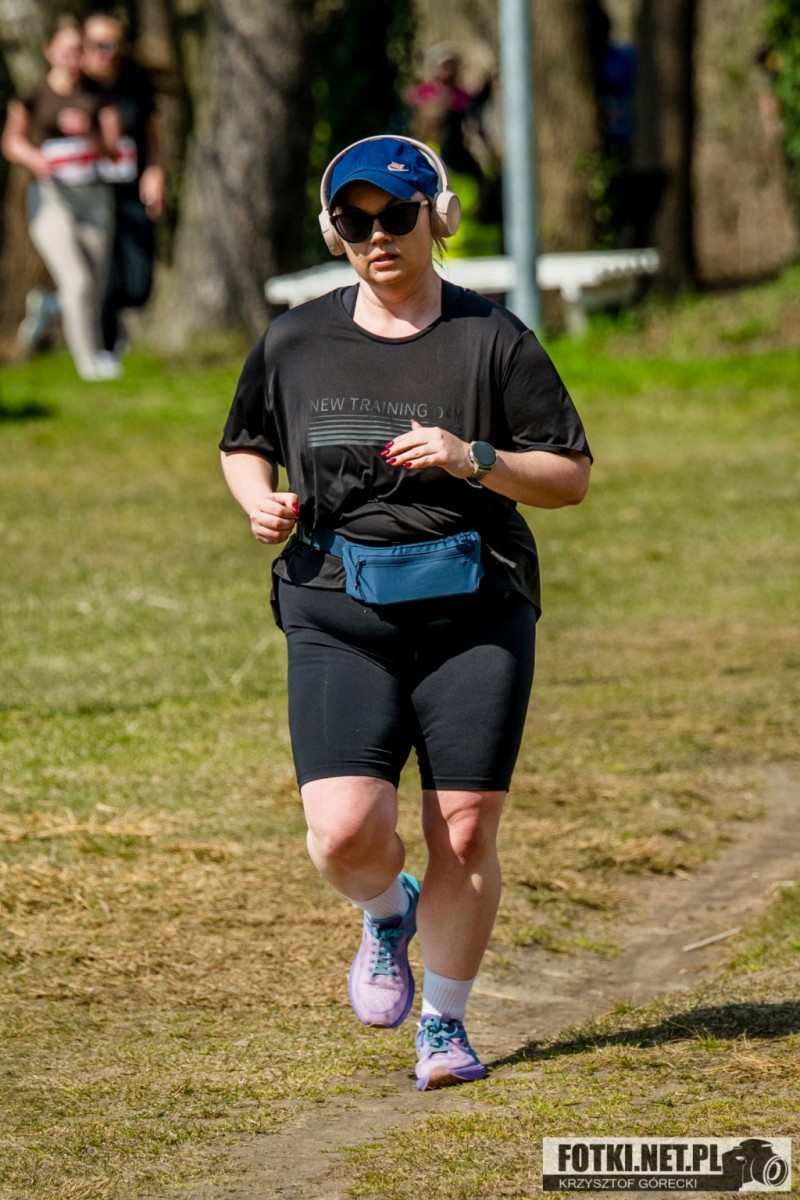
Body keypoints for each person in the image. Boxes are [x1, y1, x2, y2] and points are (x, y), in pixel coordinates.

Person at [219, 136, 592, 1090]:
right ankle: (389, 913)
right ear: (333, 231)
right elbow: (244, 440)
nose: (377, 235)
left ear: (438, 217)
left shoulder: (493, 337)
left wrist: (474, 457)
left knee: (463, 829)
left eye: (396, 215)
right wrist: (257, 499)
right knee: (343, 832)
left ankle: (446, 1026)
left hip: (475, 609)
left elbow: (568, 476)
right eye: (355, 220)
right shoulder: (295, 339)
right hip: (336, 604)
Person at [1, 15, 122, 381]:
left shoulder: (99, 97)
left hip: (94, 197)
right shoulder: (34, 95)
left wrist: (90, 136)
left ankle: (53, 307)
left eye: (78, 50)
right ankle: (90, 364)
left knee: (94, 286)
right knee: (78, 281)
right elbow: (11, 141)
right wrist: (32, 157)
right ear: (49, 51)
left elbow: (114, 151)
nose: (73, 57)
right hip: (52, 197)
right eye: (66, 49)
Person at [81, 12, 166, 354]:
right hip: (89, 195)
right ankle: (104, 352)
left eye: (113, 45)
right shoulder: (75, 89)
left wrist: (155, 172)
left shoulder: (135, 87)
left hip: (131, 191)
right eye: (98, 45)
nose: (106, 52)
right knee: (103, 277)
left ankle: (62, 308)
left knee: (138, 285)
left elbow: (152, 136)